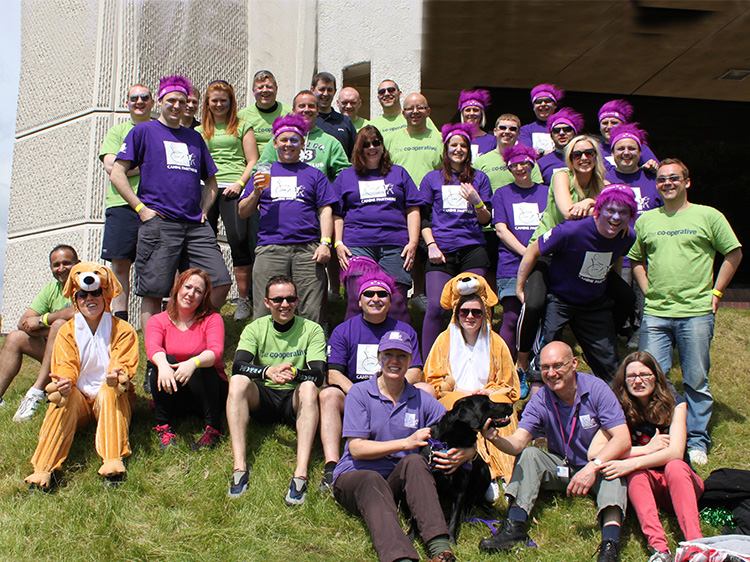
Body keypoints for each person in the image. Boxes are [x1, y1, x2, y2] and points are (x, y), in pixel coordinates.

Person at [628, 158, 742, 465]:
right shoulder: (646, 220)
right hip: (656, 312)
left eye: (674, 178)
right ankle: (657, 435)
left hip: (695, 311)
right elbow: (635, 258)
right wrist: (647, 287)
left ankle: (696, 440)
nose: (668, 183)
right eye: (662, 179)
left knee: (695, 379)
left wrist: (717, 291)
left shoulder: (708, 215)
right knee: (650, 378)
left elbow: (733, 251)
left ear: (686, 182)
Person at [478, 341, 630, 562]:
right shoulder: (541, 398)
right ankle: (514, 527)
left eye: (558, 365)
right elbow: (519, 443)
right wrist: (495, 438)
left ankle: (610, 544)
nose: (551, 373)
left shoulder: (597, 389)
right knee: (530, 454)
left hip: (595, 466)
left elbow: (623, 438)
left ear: (574, 364)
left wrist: (593, 467)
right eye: (545, 367)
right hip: (563, 466)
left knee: (613, 470)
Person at [332, 329, 472, 562]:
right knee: (372, 480)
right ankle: (401, 557)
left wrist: (470, 452)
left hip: (397, 483)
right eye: (388, 354)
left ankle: (441, 550)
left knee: (416, 461)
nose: (394, 361)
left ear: (410, 361)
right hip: (356, 478)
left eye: (401, 356)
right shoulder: (360, 393)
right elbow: (357, 448)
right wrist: (406, 442)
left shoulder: (421, 399)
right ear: (379, 358)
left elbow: (453, 426)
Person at [110, 74, 232, 330]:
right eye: (171, 100)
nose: (177, 106)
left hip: (195, 226)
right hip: (160, 224)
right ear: (160, 102)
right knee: (154, 292)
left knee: (219, 281)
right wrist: (141, 209)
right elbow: (117, 172)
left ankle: (188, 331)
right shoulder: (143, 131)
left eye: (182, 101)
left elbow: (211, 182)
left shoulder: (194, 138)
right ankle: (154, 358)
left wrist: (204, 210)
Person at [24, 262, 139, 490]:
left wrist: (117, 375)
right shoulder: (67, 331)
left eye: (95, 293)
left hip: (112, 394)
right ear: (75, 299)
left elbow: (123, 362)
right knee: (62, 400)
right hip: (81, 398)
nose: (90, 299)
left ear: (105, 295)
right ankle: (43, 469)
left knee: (110, 391)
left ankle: (112, 462)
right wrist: (64, 383)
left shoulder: (123, 329)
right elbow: (66, 364)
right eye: (83, 295)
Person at [517, 185, 637, 383]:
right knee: (547, 356)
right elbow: (533, 250)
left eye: (623, 213)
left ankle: (613, 406)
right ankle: (537, 395)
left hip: (593, 304)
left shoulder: (627, 236)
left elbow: (614, 259)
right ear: (599, 209)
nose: (616, 218)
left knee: (610, 366)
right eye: (611, 211)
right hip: (560, 299)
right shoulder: (570, 231)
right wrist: (520, 286)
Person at [592, 351, 704, 562]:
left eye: (645, 374)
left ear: (656, 377)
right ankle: (660, 550)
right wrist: (645, 451)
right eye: (631, 376)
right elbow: (594, 452)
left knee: (674, 466)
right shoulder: (618, 408)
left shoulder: (675, 403)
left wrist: (629, 462)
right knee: (636, 474)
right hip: (648, 488)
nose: (638, 380)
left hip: (683, 484)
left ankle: (696, 546)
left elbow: (675, 452)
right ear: (624, 381)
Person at [320, 269, 425, 490]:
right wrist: (359, 393)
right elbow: (333, 373)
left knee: (426, 389)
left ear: (390, 301)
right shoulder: (344, 330)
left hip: (396, 394)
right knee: (328, 394)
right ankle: (331, 465)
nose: (375, 299)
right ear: (359, 301)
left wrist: (388, 390)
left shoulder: (404, 330)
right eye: (369, 294)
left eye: (382, 294)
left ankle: (420, 456)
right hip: (355, 397)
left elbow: (416, 372)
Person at [516, 135, 610, 381]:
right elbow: (569, 212)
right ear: (569, 158)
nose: (583, 158)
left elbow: (616, 214)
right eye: (576, 154)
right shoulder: (562, 176)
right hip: (546, 251)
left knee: (622, 295)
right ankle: (523, 362)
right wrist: (593, 202)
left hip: (578, 256)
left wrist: (593, 201)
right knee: (534, 303)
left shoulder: (604, 184)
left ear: (596, 156)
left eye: (589, 152)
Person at [226, 276, 326, 505]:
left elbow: (319, 374)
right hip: (264, 396)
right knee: (238, 382)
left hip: (295, 399)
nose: (285, 304)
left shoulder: (312, 329)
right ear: (267, 302)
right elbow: (238, 366)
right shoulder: (255, 328)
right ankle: (239, 468)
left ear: (297, 300)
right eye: (278, 299)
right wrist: (267, 372)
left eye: (290, 298)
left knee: (310, 387)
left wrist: (295, 374)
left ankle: (300, 474)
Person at [423, 273, 521, 488]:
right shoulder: (443, 340)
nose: (470, 317)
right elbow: (432, 380)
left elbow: (510, 385)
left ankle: (503, 475)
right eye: (464, 312)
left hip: (487, 399)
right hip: (455, 400)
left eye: (476, 312)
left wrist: (489, 393)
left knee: (502, 413)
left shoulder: (496, 342)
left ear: (484, 314)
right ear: (457, 314)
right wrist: (457, 393)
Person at [238, 112, 336, 325]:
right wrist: (255, 192)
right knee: (266, 309)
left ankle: (312, 354)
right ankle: (264, 353)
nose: (288, 144)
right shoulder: (263, 172)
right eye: (283, 139)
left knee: (310, 309)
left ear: (302, 144)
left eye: (294, 140)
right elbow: (243, 211)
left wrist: (325, 243)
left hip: (307, 250)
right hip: (270, 248)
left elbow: (325, 210)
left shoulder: (315, 175)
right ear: (275, 143)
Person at [332, 125, 421, 322]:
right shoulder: (346, 176)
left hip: (395, 245)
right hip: (358, 245)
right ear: (358, 149)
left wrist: (413, 242)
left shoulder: (399, 173)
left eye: (376, 143)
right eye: (366, 144)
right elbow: (337, 213)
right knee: (358, 299)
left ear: (382, 146)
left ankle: (399, 348)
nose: (371, 148)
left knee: (397, 302)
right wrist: (338, 243)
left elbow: (413, 208)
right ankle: (353, 349)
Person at [420, 123, 492, 354]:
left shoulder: (480, 179)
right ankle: (427, 363)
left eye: (463, 145)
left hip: (473, 249)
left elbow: (485, 219)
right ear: (446, 149)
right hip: (440, 250)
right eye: (454, 145)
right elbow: (423, 218)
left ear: (469, 151)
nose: (458, 149)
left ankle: (473, 355)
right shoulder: (432, 179)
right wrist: (431, 245)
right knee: (436, 307)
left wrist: (476, 200)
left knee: (471, 307)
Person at [145, 269, 228, 451]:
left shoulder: (212, 319)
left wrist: (193, 363)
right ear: (177, 288)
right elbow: (153, 348)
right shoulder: (158, 320)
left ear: (204, 297)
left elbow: (216, 351)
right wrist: (164, 365)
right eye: (188, 287)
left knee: (202, 364)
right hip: (175, 391)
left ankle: (214, 428)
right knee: (161, 362)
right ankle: (164, 428)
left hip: (210, 391)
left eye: (198, 291)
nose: (191, 293)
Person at [197, 80, 259, 321]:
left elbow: (252, 160)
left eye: (224, 100)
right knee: (203, 242)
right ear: (208, 103)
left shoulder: (243, 126)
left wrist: (240, 184)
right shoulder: (198, 131)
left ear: (231, 102)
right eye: (215, 100)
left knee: (239, 240)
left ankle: (243, 300)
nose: (219, 104)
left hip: (234, 187)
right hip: (206, 189)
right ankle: (204, 299)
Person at [0, 245, 79, 420]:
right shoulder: (51, 289)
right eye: (56, 264)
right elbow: (24, 323)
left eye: (67, 263)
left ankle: (36, 392)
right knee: (15, 337)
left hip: (82, 357)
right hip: (55, 352)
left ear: (78, 263)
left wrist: (44, 322)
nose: (61, 269)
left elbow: (76, 314)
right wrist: (50, 324)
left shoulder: (85, 285)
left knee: (59, 325)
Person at [604, 123, 663, 346]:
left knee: (644, 296)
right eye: (620, 148)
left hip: (649, 252)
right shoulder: (605, 178)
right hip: (619, 252)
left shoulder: (653, 179)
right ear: (613, 153)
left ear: (640, 152)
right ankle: (619, 329)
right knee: (621, 296)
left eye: (632, 148)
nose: (626, 152)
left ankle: (641, 332)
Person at [100, 83, 154, 321]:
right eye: (134, 98)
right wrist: (144, 165)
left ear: (153, 102)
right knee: (120, 264)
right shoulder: (117, 132)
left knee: (154, 264)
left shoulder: (159, 130)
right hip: (120, 204)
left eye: (144, 97)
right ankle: (120, 320)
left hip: (154, 204)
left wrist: (127, 167)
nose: (139, 101)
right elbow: (111, 167)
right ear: (127, 104)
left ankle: (154, 320)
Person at [491, 144, 548, 367]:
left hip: (543, 263)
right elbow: (501, 230)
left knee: (540, 316)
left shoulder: (546, 192)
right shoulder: (502, 194)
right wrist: (527, 254)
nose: (520, 168)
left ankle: (537, 365)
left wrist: (536, 255)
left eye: (524, 163)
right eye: (514, 165)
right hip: (511, 263)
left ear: (532, 164)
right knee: (512, 316)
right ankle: (506, 368)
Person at [475, 113, 543, 288]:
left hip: (520, 226)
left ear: (519, 134)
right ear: (495, 131)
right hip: (490, 225)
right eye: (503, 128)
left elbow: (538, 190)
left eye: (512, 129)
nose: (507, 132)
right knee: (490, 266)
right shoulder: (482, 160)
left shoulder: (529, 162)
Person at [257, 90, 350, 183]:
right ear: (293, 111)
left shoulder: (331, 143)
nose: (306, 109)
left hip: (317, 195)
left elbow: (344, 175)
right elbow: (260, 171)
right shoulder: (281, 141)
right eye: (302, 106)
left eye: (311, 106)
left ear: (317, 111)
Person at [384, 92, 443, 186]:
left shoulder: (441, 139)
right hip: (401, 196)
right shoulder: (389, 140)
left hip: (430, 196)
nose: (415, 111)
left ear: (428, 112)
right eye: (410, 108)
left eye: (420, 107)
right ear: (403, 114)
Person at [238, 70, 292, 154]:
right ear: (253, 91)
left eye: (269, 87)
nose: (265, 90)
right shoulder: (242, 117)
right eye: (260, 87)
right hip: (255, 165)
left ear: (276, 89)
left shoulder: (290, 114)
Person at [597, 99, 658, 170]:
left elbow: (659, 172)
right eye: (605, 123)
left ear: (624, 125)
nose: (609, 127)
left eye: (614, 122)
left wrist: (649, 167)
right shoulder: (596, 150)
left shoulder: (638, 147)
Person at [370, 79, 437, 139]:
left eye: (391, 90)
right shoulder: (372, 125)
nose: (386, 94)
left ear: (400, 94)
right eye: (382, 92)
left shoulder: (418, 118)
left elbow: (436, 140)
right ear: (378, 98)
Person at [312, 72, 357, 159]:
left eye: (329, 90)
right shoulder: (307, 121)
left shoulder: (345, 121)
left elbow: (355, 155)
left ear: (335, 92)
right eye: (322, 89)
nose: (325, 94)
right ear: (312, 89)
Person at [537, 107, 584, 185]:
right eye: (556, 131)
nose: (561, 133)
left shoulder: (587, 158)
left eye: (567, 129)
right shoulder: (541, 163)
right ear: (551, 136)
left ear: (575, 133)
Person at [518, 83, 564, 156]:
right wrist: (546, 152)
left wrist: (538, 152)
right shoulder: (526, 130)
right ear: (533, 107)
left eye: (547, 100)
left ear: (555, 105)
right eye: (538, 101)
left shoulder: (564, 128)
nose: (543, 104)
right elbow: (525, 152)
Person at [457, 89, 496, 160]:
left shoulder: (493, 140)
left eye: (475, 110)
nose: (471, 113)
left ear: (481, 114)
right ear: (462, 114)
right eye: (468, 110)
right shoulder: (454, 138)